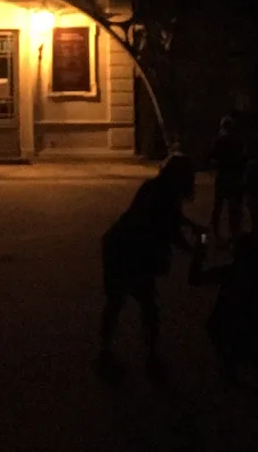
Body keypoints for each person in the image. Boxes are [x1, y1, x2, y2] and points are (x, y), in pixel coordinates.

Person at [98, 151, 199, 373]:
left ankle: (107, 350)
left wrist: (191, 226)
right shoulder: (166, 194)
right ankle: (149, 354)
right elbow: (170, 228)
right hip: (131, 250)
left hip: (120, 244)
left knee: (118, 301)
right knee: (145, 304)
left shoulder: (154, 187)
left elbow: (172, 217)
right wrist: (194, 250)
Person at [190, 231, 258, 381]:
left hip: (229, 324)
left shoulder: (230, 272)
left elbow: (194, 279)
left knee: (222, 330)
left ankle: (230, 369)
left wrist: (199, 252)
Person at [209, 115, 246, 243]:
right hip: (234, 176)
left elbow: (212, 156)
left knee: (219, 205)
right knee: (233, 206)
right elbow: (242, 158)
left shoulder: (220, 140)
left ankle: (216, 231)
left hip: (223, 176)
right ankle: (234, 232)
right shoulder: (237, 141)